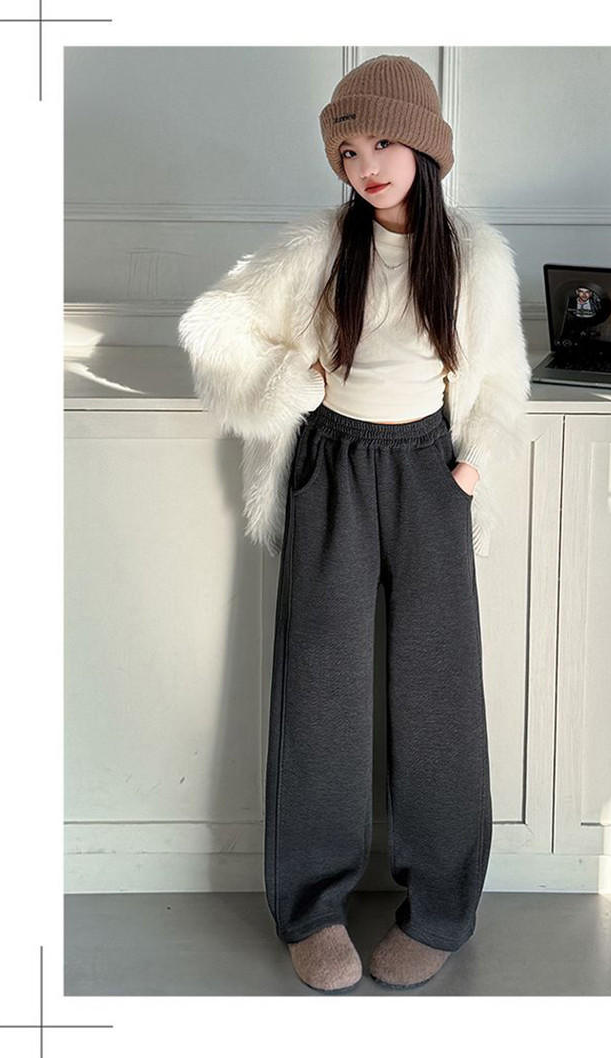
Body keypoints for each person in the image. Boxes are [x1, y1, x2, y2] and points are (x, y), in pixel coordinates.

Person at [178, 54, 531, 994]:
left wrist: (472, 466)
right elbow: (215, 326)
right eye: (347, 150)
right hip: (331, 467)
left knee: (440, 696)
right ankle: (313, 908)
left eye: (381, 143)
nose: (365, 165)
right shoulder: (316, 247)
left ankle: (442, 908)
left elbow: (501, 375)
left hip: (428, 471)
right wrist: (281, 383)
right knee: (321, 690)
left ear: (424, 145)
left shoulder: (476, 257)